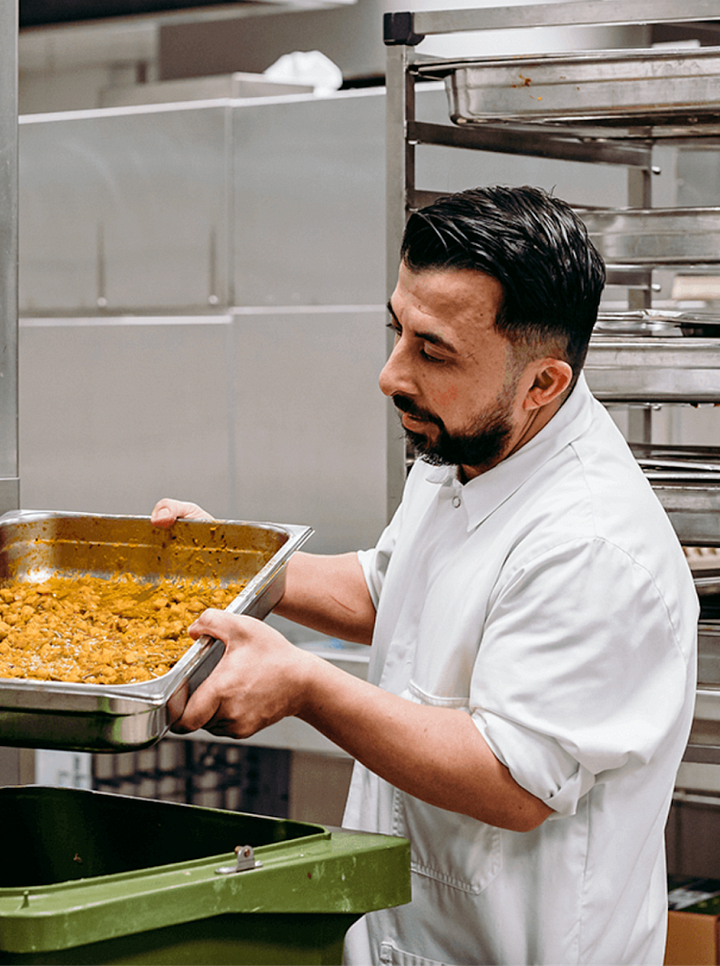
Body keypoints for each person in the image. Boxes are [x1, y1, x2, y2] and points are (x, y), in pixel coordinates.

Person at [153, 185, 697, 965]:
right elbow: (394, 591)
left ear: (543, 383)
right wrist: (236, 569)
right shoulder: (468, 447)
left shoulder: (590, 544)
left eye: (432, 352)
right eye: (397, 330)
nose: (390, 374)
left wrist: (304, 686)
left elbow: (514, 781)